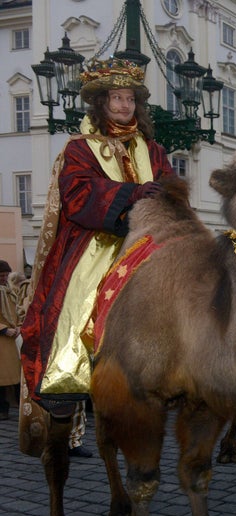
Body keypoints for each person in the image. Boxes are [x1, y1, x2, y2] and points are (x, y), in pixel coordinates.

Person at [19, 57, 174, 456]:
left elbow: (171, 187)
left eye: (129, 99)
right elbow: (77, 195)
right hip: (96, 241)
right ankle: (65, 378)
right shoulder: (80, 149)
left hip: (148, 239)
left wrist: (168, 197)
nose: (123, 105)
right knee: (74, 301)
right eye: (116, 98)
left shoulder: (153, 150)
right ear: (101, 103)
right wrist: (132, 194)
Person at [0, 261, 22, 420]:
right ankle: (2, 410)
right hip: (2, 338)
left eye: (6, 275)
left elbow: (18, 311)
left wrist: (19, 326)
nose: (4, 278)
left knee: (13, 377)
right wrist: (3, 329)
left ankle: (14, 405)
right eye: (1, 275)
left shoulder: (10, 291)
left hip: (11, 339)